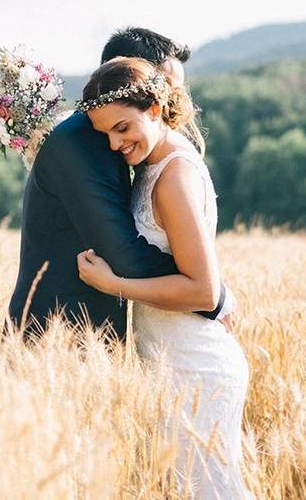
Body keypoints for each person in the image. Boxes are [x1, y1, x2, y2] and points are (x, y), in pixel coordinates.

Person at [75, 56, 251, 498]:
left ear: (154, 108)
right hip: (171, 364)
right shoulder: (153, 162)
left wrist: (114, 286)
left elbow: (202, 289)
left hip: (197, 367)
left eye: (123, 128)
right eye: (105, 135)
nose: (115, 144)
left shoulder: (172, 176)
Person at [7, 28, 234, 339]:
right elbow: (122, 252)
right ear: (131, 77)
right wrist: (212, 296)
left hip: (94, 330)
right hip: (57, 328)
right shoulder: (83, 143)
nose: (172, 100)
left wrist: (202, 286)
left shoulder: (150, 156)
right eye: (166, 86)